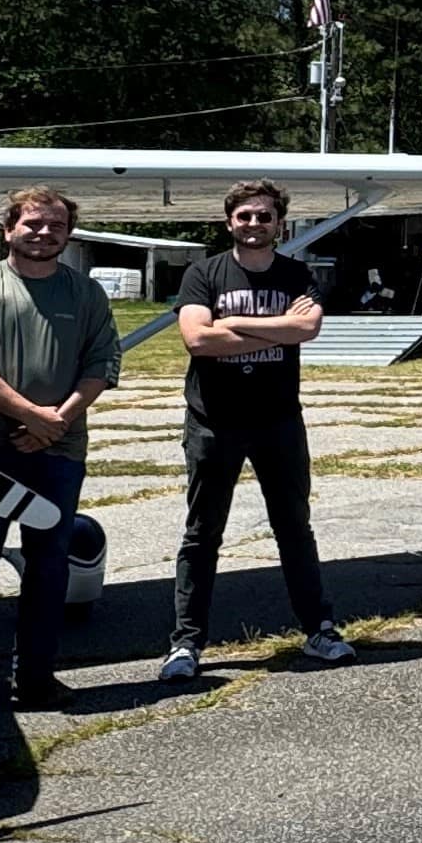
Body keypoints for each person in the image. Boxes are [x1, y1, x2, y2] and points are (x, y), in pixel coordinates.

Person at [0, 185, 119, 711]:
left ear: (68, 234)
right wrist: (32, 416)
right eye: (33, 223)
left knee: (50, 564)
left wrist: (55, 422)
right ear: (10, 229)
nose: (44, 233)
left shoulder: (86, 294)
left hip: (59, 450)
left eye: (56, 226)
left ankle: (36, 680)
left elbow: (100, 366)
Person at [166, 179, 341, 682]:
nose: (254, 224)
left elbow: (307, 329)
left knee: (293, 528)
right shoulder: (204, 273)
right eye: (244, 216)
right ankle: (186, 643)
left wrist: (236, 324)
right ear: (229, 222)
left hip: (278, 421)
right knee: (202, 534)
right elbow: (198, 339)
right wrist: (273, 326)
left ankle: (320, 630)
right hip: (213, 422)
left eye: (264, 216)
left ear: (279, 224)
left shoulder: (296, 274)